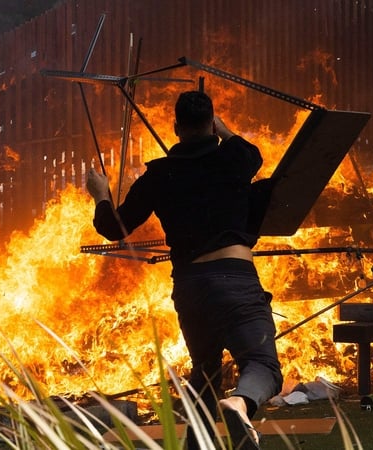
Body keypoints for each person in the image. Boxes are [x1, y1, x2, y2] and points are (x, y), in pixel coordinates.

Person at [87, 90, 282, 450]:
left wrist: (100, 193)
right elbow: (250, 152)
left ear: (175, 127)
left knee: (206, 374)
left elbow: (116, 228)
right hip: (235, 276)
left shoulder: (161, 174)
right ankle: (239, 405)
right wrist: (219, 128)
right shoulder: (236, 159)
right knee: (261, 364)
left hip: (191, 287)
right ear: (211, 123)